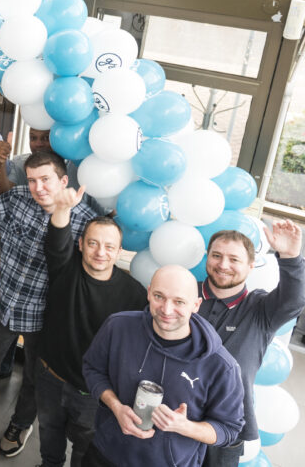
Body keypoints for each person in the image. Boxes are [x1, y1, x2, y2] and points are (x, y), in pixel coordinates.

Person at [0, 152, 97, 458]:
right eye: (33, 179)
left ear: (63, 181)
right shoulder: (17, 198)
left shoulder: (84, 221)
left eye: (46, 179)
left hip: (44, 317)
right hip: (2, 303)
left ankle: (21, 424)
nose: (38, 187)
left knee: (35, 380)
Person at [82, 265, 246, 467]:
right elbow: (92, 369)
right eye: (159, 296)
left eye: (179, 301)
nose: (167, 310)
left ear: (196, 305)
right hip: (105, 453)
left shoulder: (221, 365)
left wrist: (183, 426)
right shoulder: (117, 327)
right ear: (149, 293)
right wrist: (115, 406)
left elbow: (229, 429)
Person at [35, 188, 147, 467]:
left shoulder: (134, 295)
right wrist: (62, 208)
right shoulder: (65, 268)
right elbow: (57, 239)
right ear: (81, 244)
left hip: (92, 393)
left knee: (86, 447)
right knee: (49, 432)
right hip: (50, 376)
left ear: (119, 252)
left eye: (109, 247)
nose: (101, 252)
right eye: (94, 243)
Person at [198, 222, 305, 467]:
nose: (223, 265)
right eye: (216, 256)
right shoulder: (184, 296)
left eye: (234, 259)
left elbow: (294, 300)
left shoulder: (261, 309)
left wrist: (290, 257)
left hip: (226, 430)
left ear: (250, 265)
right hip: (172, 415)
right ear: (207, 257)